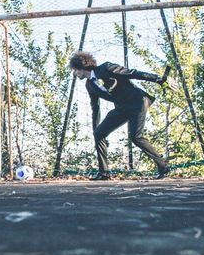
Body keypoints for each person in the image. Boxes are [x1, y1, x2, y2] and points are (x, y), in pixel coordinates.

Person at [69, 51, 171, 180]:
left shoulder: (106, 68)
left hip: (137, 102)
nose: (75, 74)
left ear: (81, 67)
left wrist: (157, 79)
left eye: (75, 70)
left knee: (136, 137)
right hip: (121, 108)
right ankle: (104, 173)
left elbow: (132, 73)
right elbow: (96, 108)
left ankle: (163, 166)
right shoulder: (90, 85)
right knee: (99, 133)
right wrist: (97, 130)